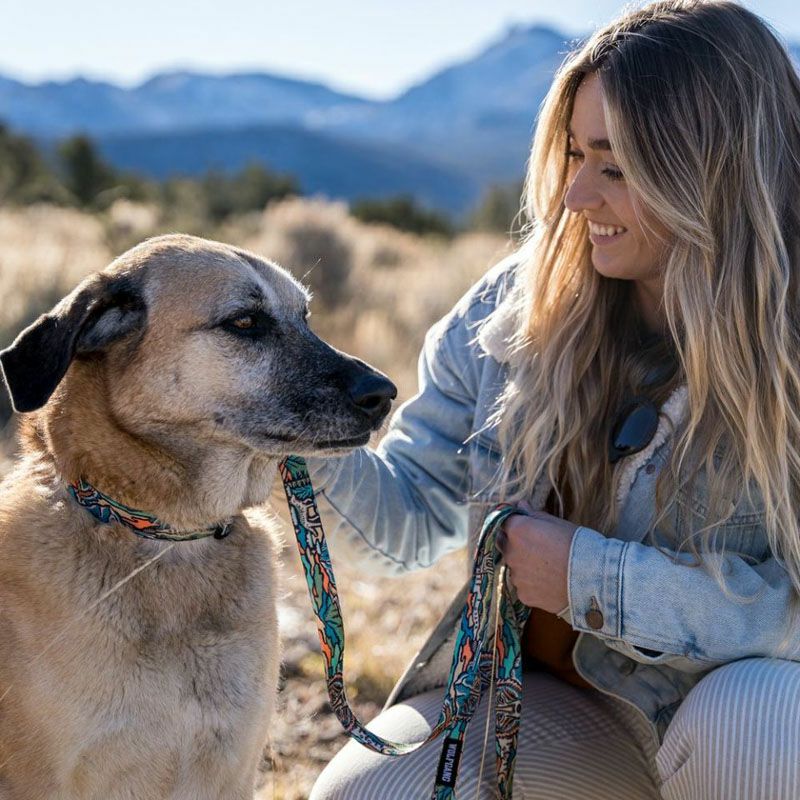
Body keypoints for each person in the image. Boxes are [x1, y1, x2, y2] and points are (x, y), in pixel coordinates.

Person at [306, 1, 800, 797]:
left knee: (761, 728)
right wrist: (292, 422)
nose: (574, 197)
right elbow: (406, 519)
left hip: (733, 721)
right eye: (574, 154)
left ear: (713, 173)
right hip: (561, 712)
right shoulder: (512, 308)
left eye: (616, 167)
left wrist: (592, 579)